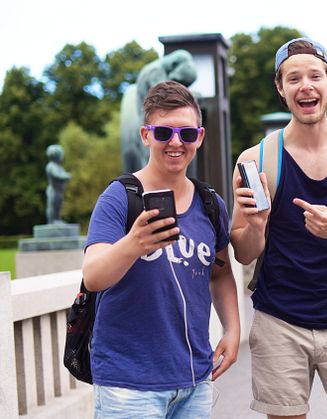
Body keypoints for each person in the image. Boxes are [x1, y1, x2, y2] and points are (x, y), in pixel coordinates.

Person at [230, 38, 327, 418]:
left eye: (315, 76)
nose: (306, 85)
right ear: (281, 88)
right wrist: (256, 226)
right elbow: (243, 251)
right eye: (294, 78)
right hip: (278, 323)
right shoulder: (256, 159)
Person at [82, 80, 240, 417]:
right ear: (145, 135)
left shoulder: (211, 204)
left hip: (195, 379)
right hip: (129, 383)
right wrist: (134, 243)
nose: (175, 143)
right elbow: (93, 276)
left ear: (199, 137)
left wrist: (233, 329)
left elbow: (220, 275)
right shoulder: (119, 197)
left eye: (186, 134)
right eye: (163, 132)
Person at [45, 144, 71, 224]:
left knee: (58, 206)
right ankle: (52, 221)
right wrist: (66, 176)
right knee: (52, 206)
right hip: (53, 190)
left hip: (59, 191)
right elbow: (57, 175)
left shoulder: (58, 166)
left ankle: (57, 219)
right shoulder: (51, 166)